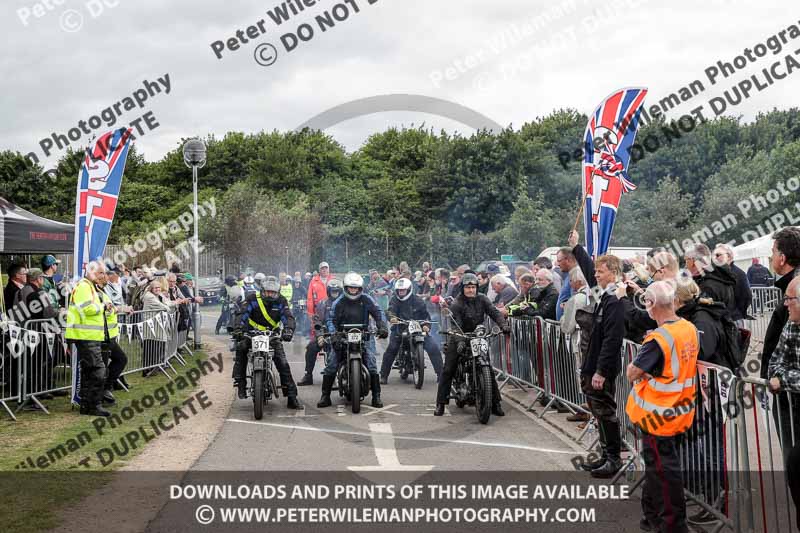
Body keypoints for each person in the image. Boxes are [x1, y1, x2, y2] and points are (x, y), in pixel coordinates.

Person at [626, 280, 699, 533]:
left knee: (663, 473)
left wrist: (644, 366)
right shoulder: (687, 328)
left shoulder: (659, 339)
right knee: (659, 470)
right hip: (680, 410)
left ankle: (671, 525)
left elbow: (632, 373)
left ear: (651, 305)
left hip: (658, 416)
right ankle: (652, 518)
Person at [570, 231, 625, 478]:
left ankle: (614, 458)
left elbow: (612, 340)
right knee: (597, 410)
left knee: (605, 411)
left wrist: (601, 371)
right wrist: (577, 247)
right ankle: (605, 454)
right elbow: (589, 271)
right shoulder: (604, 294)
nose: (596, 275)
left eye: (601, 272)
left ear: (613, 272)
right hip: (593, 363)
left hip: (603, 367)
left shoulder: (615, 299)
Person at [434, 273, 510, 417]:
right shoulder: (457, 303)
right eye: (468, 287)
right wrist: (461, 341)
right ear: (463, 288)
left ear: (477, 288)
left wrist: (503, 325)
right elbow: (456, 325)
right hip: (459, 336)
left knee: (487, 366)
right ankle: (441, 403)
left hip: (477, 336)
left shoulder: (483, 299)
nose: (471, 290)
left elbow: (495, 313)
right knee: (449, 368)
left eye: (473, 287)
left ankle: (495, 403)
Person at [318, 272, 389, 409]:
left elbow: (378, 312)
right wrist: (334, 334)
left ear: (360, 288)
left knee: (372, 363)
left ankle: (376, 396)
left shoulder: (367, 299)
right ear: (345, 287)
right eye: (351, 288)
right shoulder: (339, 302)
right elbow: (331, 319)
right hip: (342, 336)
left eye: (356, 288)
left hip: (363, 335)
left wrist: (382, 326)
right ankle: (325, 396)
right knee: (332, 363)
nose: (353, 290)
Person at [233, 277, 300, 408]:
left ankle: (292, 397)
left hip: (271, 335)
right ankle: (240, 382)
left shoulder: (281, 300)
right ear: (262, 291)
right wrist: (238, 328)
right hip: (251, 333)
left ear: (277, 292)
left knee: (283, 363)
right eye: (267, 292)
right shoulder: (252, 298)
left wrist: (288, 330)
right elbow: (243, 313)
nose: (270, 294)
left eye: (273, 292)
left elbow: (288, 316)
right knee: (241, 348)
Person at [767, 275, 800, 530]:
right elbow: (776, 362)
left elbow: (782, 373)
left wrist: (784, 379)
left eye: (790, 299)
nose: (785, 304)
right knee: (794, 467)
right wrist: (782, 377)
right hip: (795, 407)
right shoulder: (792, 323)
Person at [66, 261, 113, 417]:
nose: (103, 276)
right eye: (100, 273)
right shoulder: (84, 287)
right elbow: (86, 309)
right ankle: (94, 404)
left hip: (90, 336)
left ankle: (87, 406)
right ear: (91, 273)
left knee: (89, 371)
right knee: (98, 370)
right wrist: (103, 307)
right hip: (85, 336)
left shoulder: (90, 287)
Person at [379, 278, 443, 384]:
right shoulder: (394, 300)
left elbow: (426, 315)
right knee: (392, 348)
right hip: (400, 328)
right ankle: (383, 375)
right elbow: (390, 310)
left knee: (433, 347)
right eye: (399, 290)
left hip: (418, 329)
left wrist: (426, 325)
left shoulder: (418, 301)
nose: (401, 292)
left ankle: (441, 375)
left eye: (403, 290)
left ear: (409, 290)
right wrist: (392, 318)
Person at [761, 227, 800, 379]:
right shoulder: (790, 286)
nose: (771, 258)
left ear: (782, 258)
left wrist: (780, 379)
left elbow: (790, 343)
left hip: (789, 389)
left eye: (773, 253)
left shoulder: (794, 292)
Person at [298, 278, 343, 386]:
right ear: (328, 291)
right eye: (333, 291)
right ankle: (308, 375)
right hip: (326, 334)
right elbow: (317, 321)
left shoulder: (345, 303)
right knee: (311, 347)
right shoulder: (322, 304)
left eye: (337, 291)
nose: (335, 294)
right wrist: (319, 336)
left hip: (342, 334)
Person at [684, 243, 736, 317]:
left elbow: (701, 316)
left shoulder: (707, 286)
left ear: (692, 261)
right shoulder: (720, 276)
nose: (685, 265)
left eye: (686, 260)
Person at [714, 243, 751, 323]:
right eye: (714, 255)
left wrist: (736, 312)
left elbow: (746, 296)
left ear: (729, 256)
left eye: (718, 255)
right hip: (719, 319)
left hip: (734, 320)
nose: (715, 258)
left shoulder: (739, 274)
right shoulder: (715, 273)